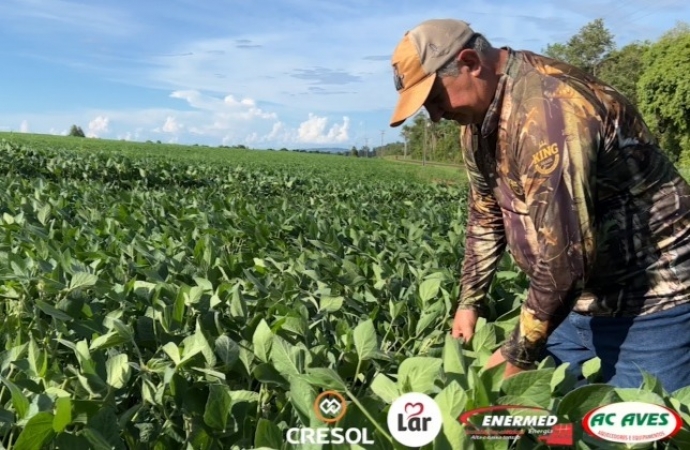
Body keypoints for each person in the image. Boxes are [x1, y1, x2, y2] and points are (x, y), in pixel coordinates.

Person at [388, 18, 690, 393]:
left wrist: (519, 352)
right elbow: (486, 213)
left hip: (651, 307)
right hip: (568, 304)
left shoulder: (550, 111)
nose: (434, 115)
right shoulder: (479, 123)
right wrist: (469, 300)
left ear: (469, 63)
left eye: (435, 98)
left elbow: (568, 255)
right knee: (556, 426)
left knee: (644, 432)